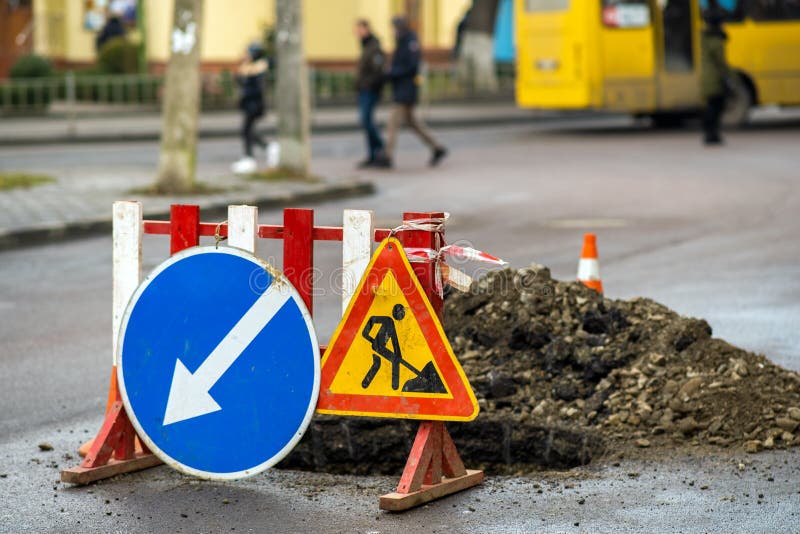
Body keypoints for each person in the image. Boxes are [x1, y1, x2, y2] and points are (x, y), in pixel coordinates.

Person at [383, 16, 448, 168]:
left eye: (393, 28)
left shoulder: (410, 42)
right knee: (413, 123)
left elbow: (412, 66)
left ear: (399, 28)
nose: (392, 31)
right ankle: (437, 147)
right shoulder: (403, 42)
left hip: (406, 90)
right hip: (402, 89)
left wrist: (393, 72)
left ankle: (387, 156)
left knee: (392, 123)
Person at [354, 19, 389, 168]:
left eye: (359, 29)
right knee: (366, 121)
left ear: (366, 29)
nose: (356, 33)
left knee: (367, 121)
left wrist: (368, 85)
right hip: (364, 89)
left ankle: (380, 149)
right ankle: (373, 154)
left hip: (370, 90)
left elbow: (378, 70)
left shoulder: (373, 47)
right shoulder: (366, 46)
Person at [231, 43, 269, 174]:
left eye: (248, 53)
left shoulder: (258, 69)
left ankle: (250, 158)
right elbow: (238, 80)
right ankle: (267, 148)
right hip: (249, 105)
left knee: (246, 130)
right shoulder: (249, 68)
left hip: (254, 105)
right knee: (247, 130)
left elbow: (255, 89)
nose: (246, 55)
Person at [699, 11, 730, 146]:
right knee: (716, 106)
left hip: (707, 77)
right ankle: (711, 133)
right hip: (715, 79)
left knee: (712, 106)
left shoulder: (705, 37)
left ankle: (710, 133)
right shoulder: (716, 40)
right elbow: (721, 62)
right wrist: (730, 77)